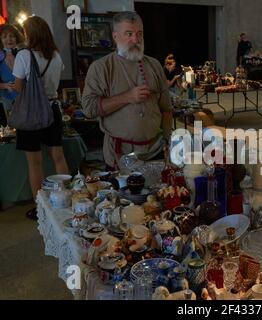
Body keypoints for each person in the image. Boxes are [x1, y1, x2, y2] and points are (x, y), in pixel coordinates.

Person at [82, 12, 173, 170]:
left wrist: (167, 140)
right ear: (115, 36)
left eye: (139, 34)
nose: (136, 40)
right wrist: (127, 97)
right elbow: (89, 109)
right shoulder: (102, 67)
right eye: (129, 34)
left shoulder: (154, 65)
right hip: (119, 155)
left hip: (155, 152)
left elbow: (166, 109)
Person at [12, 16, 69, 220]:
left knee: (34, 162)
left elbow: (18, 87)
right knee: (58, 157)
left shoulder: (23, 56)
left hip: (31, 112)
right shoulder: (55, 55)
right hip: (52, 108)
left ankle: (41, 207)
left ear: (30, 34)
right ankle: (65, 199)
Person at [0, 24, 24, 126]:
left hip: (25, 97)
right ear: (0, 39)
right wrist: (5, 85)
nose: (9, 39)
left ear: (17, 38)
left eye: (12, 36)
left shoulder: (23, 54)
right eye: (4, 37)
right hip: (6, 99)